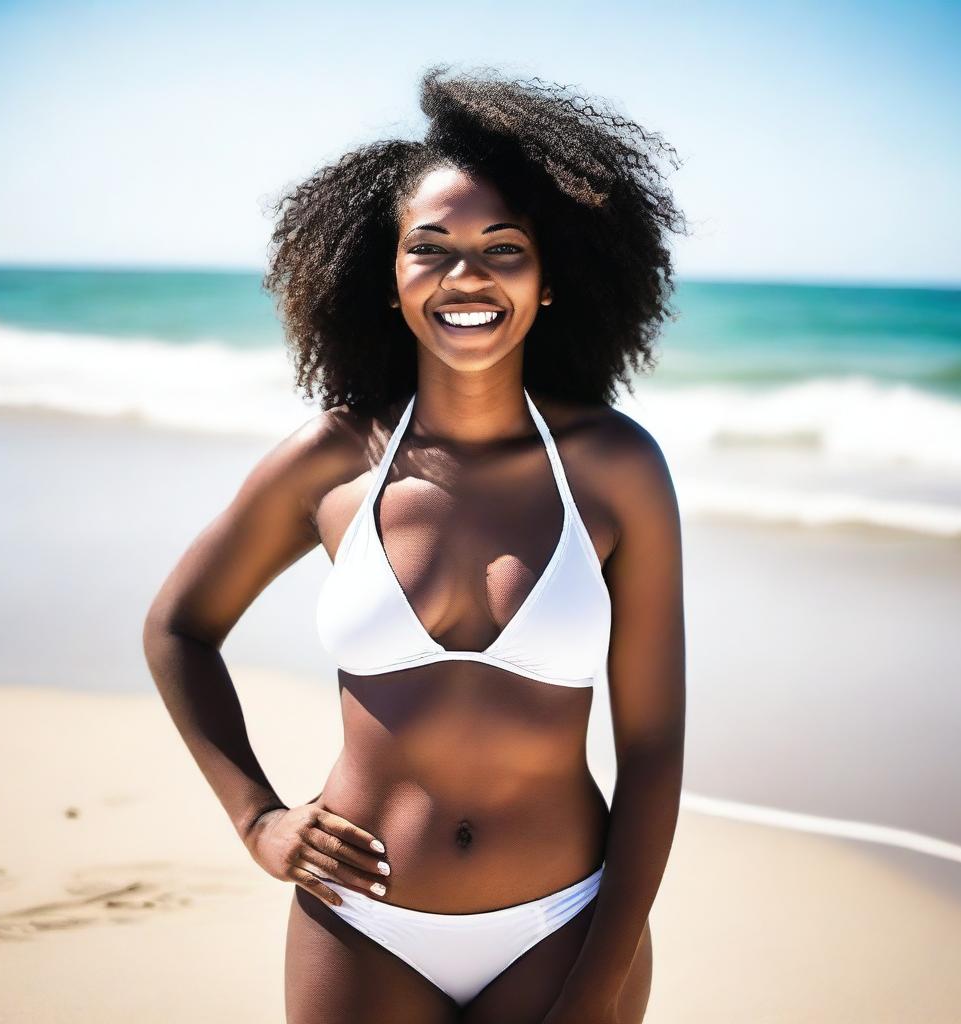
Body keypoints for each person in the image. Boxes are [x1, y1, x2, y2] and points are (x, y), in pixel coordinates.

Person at [143, 64, 687, 1024]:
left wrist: (594, 989)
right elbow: (179, 627)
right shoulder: (330, 462)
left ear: (550, 280)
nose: (466, 276)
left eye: (502, 249)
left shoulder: (613, 468)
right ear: (389, 281)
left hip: (562, 926)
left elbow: (651, 748)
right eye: (429, 250)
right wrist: (258, 818)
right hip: (361, 924)